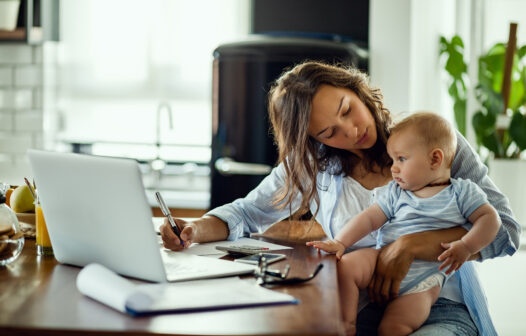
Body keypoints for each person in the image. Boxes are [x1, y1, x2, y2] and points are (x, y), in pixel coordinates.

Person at [160, 61, 521, 335]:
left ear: (358, 89)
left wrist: (410, 246)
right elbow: (246, 212)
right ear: (316, 140)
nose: (352, 131)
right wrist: (193, 228)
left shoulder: (433, 143)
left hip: (438, 304)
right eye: (330, 132)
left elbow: (506, 233)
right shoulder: (315, 165)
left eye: (347, 109)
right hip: (356, 307)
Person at [306, 112, 501, 335]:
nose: (393, 168)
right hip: (382, 260)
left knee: (393, 327)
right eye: (392, 160)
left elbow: (490, 219)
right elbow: (369, 218)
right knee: (346, 266)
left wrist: (467, 246)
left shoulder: (461, 192)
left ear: (435, 159)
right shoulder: (397, 192)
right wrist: (340, 242)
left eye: (401, 159)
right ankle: (346, 326)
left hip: (423, 281)